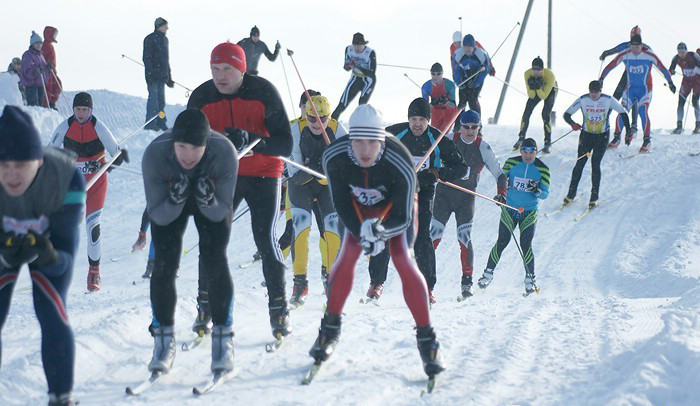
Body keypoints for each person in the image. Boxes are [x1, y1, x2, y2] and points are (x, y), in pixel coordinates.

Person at [309, 104, 446, 379]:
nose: (365, 150)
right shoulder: (334, 156)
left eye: (372, 142)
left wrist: (381, 231)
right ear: (350, 139)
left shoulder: (400, 160)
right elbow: (342, 206)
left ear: (382, 140)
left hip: (396, 211)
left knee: (402, 259)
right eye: (358, 141)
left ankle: (428, 342)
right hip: (360, 209)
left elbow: (405, 216)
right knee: (346, 256)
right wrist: (362, 232)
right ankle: (329, 330)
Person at [187, 42, 293, 340]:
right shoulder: (201, 97)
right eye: (215, 69)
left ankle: (279, 307)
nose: (220, 76)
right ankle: (205, 306)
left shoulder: (263, 92)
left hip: (263, 173)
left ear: (242, 70)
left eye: (227, 70)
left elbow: (285, 143)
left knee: (265, 238)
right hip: (223, 175)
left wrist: (252, 138)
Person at [0, 105, 86, 406]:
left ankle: (61, 398)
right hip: (4, 247)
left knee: (50, 309)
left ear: (38, 160)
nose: (11, 175)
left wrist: (48, 256)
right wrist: (5, 256)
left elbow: (64, 257)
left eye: (20, 165)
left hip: (48, 245)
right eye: (3, 165)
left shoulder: (66, 177)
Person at [142, 109, 237, 375]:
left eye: (196, 147)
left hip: (211, 201)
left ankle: (223, 341)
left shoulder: (223, 152)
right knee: (164, 264)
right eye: (182, 146)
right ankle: (163, 343)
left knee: (215, 260)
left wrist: (207, 200)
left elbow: (222, 210)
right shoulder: (155, 154)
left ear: (206, 144)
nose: (188, 154)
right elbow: (158, 215)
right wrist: (175, 199)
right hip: (170, 202)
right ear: (173, 141)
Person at [367, 98, 467, 304]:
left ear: (428, 120)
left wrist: (438, 173)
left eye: (422, 119)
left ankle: (427, 288)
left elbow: (461, 167)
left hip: (423, 191)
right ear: (408, 119)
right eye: (414, 119)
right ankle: (376, 283)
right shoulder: (395, 134)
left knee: (421, 237)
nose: (417, 124)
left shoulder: (436, 139)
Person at [49, 92, 129, 291]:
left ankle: (94, 272)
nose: (81, 113)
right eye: (78, 109)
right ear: (73, 109)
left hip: (96, 181)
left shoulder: (99, 127)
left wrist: (107, 164)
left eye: (85, 110)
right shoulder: (65, 127)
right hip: (73, 182)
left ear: (91, 110)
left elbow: (115, 154)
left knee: (93, 225)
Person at [431, 110, 507, 298]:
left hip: (466, 199)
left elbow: (500, 174)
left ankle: (467, 283)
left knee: (464, 237)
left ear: (479, 128)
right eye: (466, 127)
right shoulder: (447, 140)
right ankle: (424, 281)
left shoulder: (483, 147)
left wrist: (501, 194)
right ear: (460, 126)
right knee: (433, 237)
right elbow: (428, 159)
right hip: (442, 196)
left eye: (474, 127)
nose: (470, 131)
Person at [287, 95, 346, 306]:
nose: (317, 124)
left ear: (329, 117)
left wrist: (328, 170)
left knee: (332, 229)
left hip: (326, 186)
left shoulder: (339, 131)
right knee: (301, 226)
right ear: (306, 115)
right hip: (301, 184)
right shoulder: (296, 130)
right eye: (312, 119)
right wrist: (318, 170)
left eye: (323, 119)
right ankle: (300, 283)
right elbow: (295, 171)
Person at [477, 138, 550, 295]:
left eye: (532, 152)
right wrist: (501, 195)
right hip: (510, 208)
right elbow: (502, 181)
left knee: (525, 244)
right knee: (502, 241)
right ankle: (487, 274)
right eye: (525, 151)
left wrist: (537, 190)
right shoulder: (511, 163)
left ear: (536, 152)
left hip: (529, 212)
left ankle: (530, 279)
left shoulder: (542, 169)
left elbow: (545, 194)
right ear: (521, 151)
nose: (528, 155)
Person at [600, 34, 675, 152]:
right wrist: (601, 79)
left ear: (641, 46)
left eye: (637, 47)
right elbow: (611, 66)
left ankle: (646, 141)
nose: (635, 50)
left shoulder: (649, 55)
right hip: (630, 89)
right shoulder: (625, 54)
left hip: (645, 90)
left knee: (642, 111)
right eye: (633, 47)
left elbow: (662, 68)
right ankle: (617, 138)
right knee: (622, 110)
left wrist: (670, 82)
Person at [563, 80, 630, 208]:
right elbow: (566, 114)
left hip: (602, 136)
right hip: (587, 135)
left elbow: (623, 113)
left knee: (595, 163)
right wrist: (573, 124)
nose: (594, 94)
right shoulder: (583, 99)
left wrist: (628, 131)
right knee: (580, 163)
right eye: (592, 92)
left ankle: (594, 195)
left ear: (601, 91)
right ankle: (571, 194)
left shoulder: (608, 100)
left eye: (596, 92)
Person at [598, 25, 649, 136]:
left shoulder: (644, 47)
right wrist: (604, 54)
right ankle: (604, 121)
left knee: (634, 99)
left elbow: (653, 57)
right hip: (628, 73)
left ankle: (634, 126)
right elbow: (613, 51)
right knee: (617, 95)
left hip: (640, 77)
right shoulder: (626, 45)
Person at [513, 57, 557, 153]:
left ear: (543, 69)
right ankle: (521, 137)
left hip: (550, 91)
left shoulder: (549, 75)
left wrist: (538, 88)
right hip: (537, 90)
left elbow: (544, 96)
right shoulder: (527, 74)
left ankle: (547, 141)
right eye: (534, 69)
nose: (536, 72)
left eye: (539, 70)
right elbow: (531, 96)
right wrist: (533, 87)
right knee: (527, 111)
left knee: (545, 113)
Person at [331, 33, 377, 120]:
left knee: (362, 104)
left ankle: (362, 123)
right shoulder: (349, 49)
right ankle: (332, 122)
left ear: (363, 45)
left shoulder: (370, 53)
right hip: (355, 78)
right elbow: (346, 68)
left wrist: (358, 66)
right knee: (343, 103)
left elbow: (372, 73)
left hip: (368, 81)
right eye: (355, 45)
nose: (356, 48)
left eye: (359, 46)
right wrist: (349, 64)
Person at [142, 17, 173, 131]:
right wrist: (151, 73)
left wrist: (169, 76)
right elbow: (146, 58)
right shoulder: (149, 39)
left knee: (161, 101)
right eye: (165, 26)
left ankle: (161, 122)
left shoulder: (165, 40)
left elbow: (166, 60)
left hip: (162, 76)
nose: (167, 28)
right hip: (153, 77)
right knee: (153, 100)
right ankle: (150, 124)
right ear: (159, 26)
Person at [452, 34, 490, 116]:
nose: (468, 49)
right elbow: (456, 71)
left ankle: (477, 122)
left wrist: (476, 83)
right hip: (464, 77)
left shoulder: (481, 54)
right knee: (462, 102)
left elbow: (486, 69)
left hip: (477, 76)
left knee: (473, 100)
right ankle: (458, 125)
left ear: (474, 46)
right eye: (465, 46)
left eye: (470, 46)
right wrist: (459, 82)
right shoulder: (458, 55)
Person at [669, 42, 700, 134]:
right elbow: (671, 69)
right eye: (679, 52)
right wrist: (672, 71)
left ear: (686, 51)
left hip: (697, 81)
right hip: (686, 81)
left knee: (695, 101)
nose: (681, 54)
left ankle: (698, 125)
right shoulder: (676, 58)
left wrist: (697, 69)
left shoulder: (693, 55)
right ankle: (679, 126)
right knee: (681, 102)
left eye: (683, 52)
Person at [421, 62, 458, 133]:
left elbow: (453, 104)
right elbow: (424, 107)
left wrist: (446, 101)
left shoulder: (449, 85)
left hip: (449, 112)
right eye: (433, 74)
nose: (436, 77)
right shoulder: (426, 87)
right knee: (434, 133)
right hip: (436, 112)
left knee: (442, 134)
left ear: (442, 73)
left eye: (438, 74)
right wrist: (431, 104)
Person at [20, 31, 49, 107]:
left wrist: (48, 68)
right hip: (31, 85)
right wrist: (35, 72)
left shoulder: (41, 55)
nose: (39, 45)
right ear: (32, 44)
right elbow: (26, 71)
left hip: (40, 84)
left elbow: (44, 70)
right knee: (33, 106)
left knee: (40, 106)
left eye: (40, 43)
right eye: (37, 43)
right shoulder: (27, 55)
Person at [41, 26, 61, 110]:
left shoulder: (48, 45)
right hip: (48, 72)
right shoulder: (46, 46)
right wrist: (48, 65)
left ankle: (51, 103)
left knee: (57, 86)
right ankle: (48, 105)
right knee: (49, 88)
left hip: (51, 71)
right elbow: (43, 58)